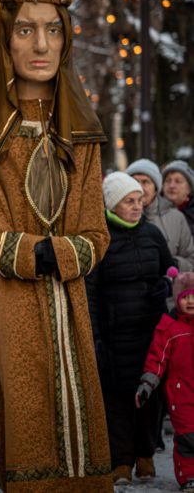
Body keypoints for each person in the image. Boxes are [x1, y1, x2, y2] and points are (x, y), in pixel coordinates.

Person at [0, 0, 113, 491]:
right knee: (27, 417)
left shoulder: (83, 131)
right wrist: (35, 252)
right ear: (6, 41)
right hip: (14, 302)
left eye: (53, 30)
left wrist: (66, 252)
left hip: (71, 301)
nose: (42, 45)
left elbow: (95, 232)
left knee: (80, 416)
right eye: (26, 31)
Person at [86, 172, 175, 484]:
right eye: (129, 201)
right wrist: (95, 336)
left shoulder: (152, 234)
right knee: (118, 399)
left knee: (151, 397)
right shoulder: (101, 240)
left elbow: (171, 269)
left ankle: (145, 454)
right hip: (114, 333)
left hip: (151, 332)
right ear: (112, 205)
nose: (137, 206)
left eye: (140, 200)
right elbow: (91, 292)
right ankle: (121, 461)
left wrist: (165, 284)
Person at [137, 271, 194, 490]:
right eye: (185, 297)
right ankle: (188, 475)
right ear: (177, 299)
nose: (190, 302)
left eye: (193, 296)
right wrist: (147, 384)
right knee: (188, 437)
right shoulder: (170, 328)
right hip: (181, 393)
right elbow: (157, 359)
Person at [127, 159, 194, 276]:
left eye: (146, 182)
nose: (139, 187)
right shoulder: (117, 216)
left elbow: (190, 259)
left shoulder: (177, 218)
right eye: (135, 181)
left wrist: (171, 264)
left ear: (156, 189)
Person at [163, 160, 194, 237]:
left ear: (189, 188)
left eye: (178, 181)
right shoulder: (153, 210)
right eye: (168, 181)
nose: (172, 185)